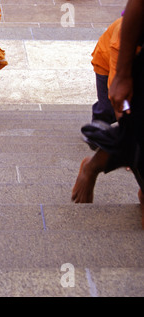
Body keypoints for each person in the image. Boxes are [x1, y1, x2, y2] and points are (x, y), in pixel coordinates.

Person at [72, 0, 144, 229]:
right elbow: (118, 95)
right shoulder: (123, 37)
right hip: (110, 67)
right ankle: (92, 164)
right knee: (113, 117)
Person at [91, 17, 123, 124]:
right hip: (105, 62)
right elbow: (115, 84)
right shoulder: (121, 34)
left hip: (133, 63)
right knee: (107, 108)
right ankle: (96, 129)